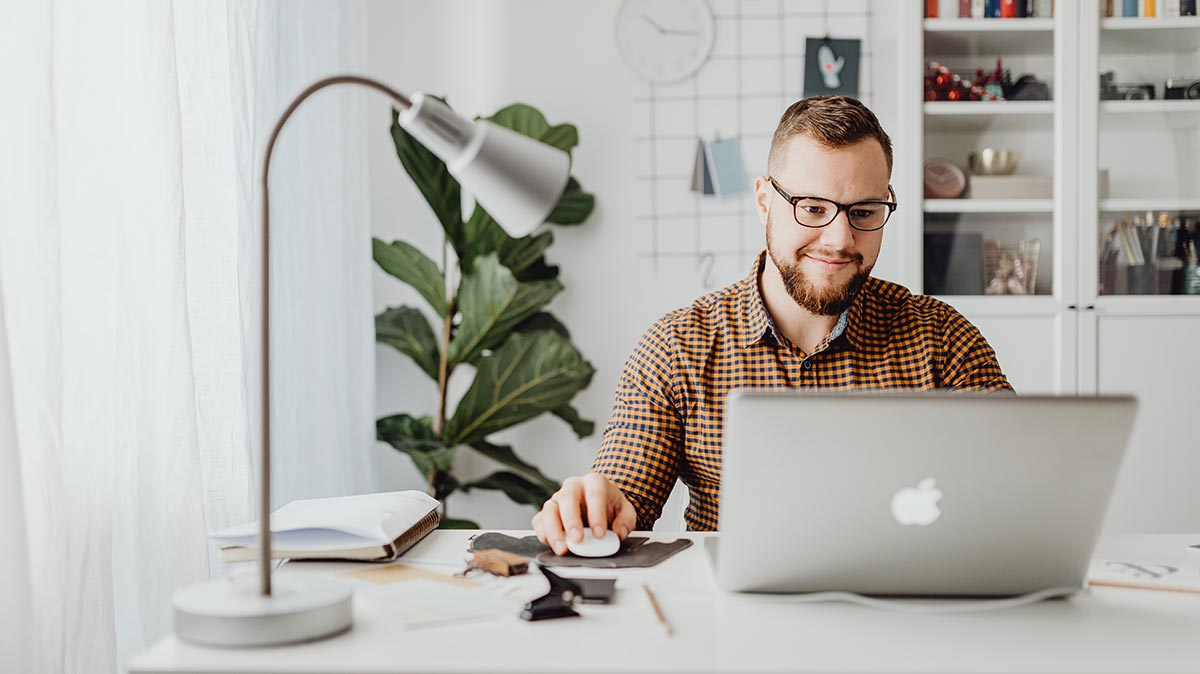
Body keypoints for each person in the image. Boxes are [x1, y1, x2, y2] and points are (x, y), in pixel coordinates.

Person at [532, 96, 1012, 555]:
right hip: (733, 622)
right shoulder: (678, 346)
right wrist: (597, 506)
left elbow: (1020, 485)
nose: (840, 239)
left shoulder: (944, 339)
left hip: (906, 611)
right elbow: (625, 491)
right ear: (764, 200)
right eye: (813, 208)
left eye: (864, 212)